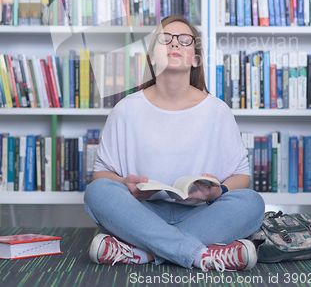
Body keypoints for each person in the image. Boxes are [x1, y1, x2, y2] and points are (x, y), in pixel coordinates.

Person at [84, 15, 265, 272]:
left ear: (195, 59)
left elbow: (242, 176)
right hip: (141, 214)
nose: (174, 44)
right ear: (153, 57)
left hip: (200, 214)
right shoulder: (125, 109)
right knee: (98, 191)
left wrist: (218, 192)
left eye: (184, 40)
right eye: (165, 39)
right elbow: (100, 174)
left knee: (251, 203)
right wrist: (126, 185)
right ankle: (202, 255)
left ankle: (141, 252)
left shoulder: (218, 110)